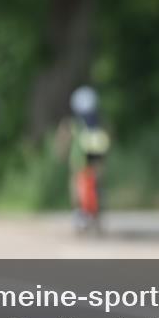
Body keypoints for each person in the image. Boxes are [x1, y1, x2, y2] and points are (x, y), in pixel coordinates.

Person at [58, 86, 111, 230]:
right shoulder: (99, 121)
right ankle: (96, 214)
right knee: (97, 184)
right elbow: (107, 138)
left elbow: (64, 140)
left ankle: (79, 213)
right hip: (97, 158)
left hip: (79, 159)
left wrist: (62, 153)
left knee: (76, 184)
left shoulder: (71, 122)